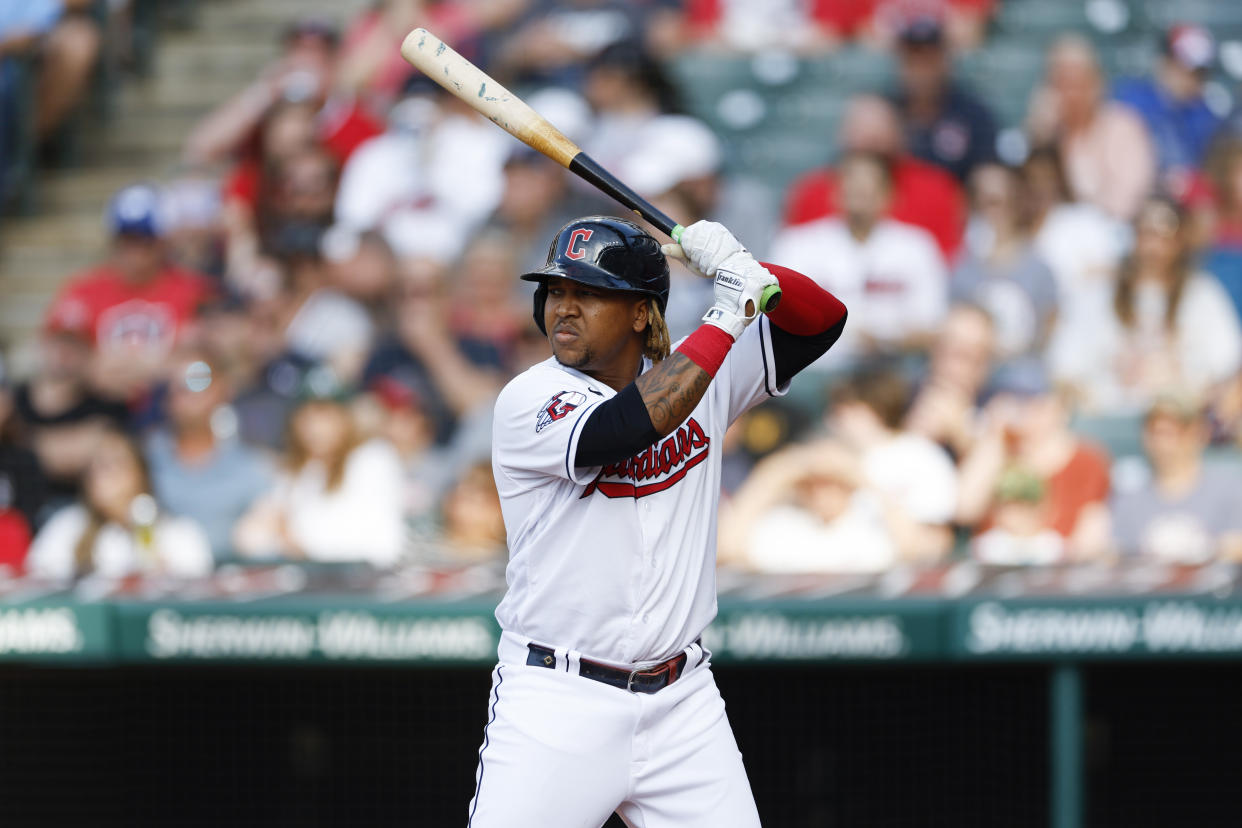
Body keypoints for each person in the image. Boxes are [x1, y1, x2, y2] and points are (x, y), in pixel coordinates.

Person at [470, 215, 846, 825]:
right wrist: (728, 309)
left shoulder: (703, 375)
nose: (564, 308)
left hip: (682, 703)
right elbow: (627, 427)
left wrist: (746, 267)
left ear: (642, 313)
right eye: (556, 291)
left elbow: (823, 320)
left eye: (588, 293)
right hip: (558, 700)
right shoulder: (529, 399)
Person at [1057, 197, 1242, 414]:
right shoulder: (1099, 292)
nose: (1153, 246)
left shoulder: (1202, 294)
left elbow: (1226, 365)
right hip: (1107, 418)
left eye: (1163, 236)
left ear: (1180, 241)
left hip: (1180, 424)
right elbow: (1065, 366)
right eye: (1145, 233)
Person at [770, 150, 947, 367]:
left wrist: (883, 339)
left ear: (889, 194)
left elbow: (931, 326)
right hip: (815, 368)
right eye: (851, 182)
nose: (859, 190)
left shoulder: (917, 247)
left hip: (893, 370)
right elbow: (779, 319)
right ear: (835, 191)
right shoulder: (798, 244)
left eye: (869, 185)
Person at [43, 183, 214, 399]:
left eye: (144, 241)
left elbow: (206, 366)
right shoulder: (83, 291)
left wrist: (156, 369)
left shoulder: (193, 290)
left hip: (168, 409)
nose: (135, 252)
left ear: (162, 242)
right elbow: (58, 355)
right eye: (126, 240)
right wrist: (91, 370)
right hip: (98, 406)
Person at [232, 383, 404, 567]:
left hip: (368, 582)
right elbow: (248, 539)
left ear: (346, 417)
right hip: (314, 586)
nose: (315, 427)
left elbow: (371, 543)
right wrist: (284, 536)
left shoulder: (374, 458)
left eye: (325, 414)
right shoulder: (295, 473)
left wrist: (291, 537)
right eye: (307, 415)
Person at [782, 94, 966, 259]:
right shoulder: (810, 193)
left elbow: (948, 261)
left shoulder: (936, 191)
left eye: (878, 144)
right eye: (862, 145)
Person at [955, 370, 1111, 561]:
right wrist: (994, 435)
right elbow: (964, 509)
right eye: (1015, 402)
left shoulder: (1087, 460)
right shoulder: (996, 451)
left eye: (1033, 402)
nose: (1023, 411)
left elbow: (1090, 541)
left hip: (1057, 578)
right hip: (994, 575)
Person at [26, 428, 213, 579]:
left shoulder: (178, 533)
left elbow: (197, 597)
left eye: (115, 463)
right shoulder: (67, 526)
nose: (104, 473)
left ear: (141, 474)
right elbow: (37, 581)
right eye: (97, 465)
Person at [144, 351, 274, 562]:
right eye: (172, 386)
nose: (183, 393)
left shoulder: (252, 460)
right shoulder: (142, 459)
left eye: (196, 380)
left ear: (223, 389)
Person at [827, 370, 958, 563]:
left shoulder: (920, 454)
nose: (834, 421)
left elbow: (931, 545)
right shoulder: (825, 457)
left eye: (845, 410)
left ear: (875, 409)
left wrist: (859, 477)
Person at [1026, 35, 1155, 221]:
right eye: (1060, 84)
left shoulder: (1122, 126)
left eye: (1076, 84)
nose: (1069, 94)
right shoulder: (1048, 133)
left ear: (1095, 84)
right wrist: (1040, 136)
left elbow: (1129, 201)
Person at [719, 439, 896, 573]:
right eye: (811, 483)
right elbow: (728, 548)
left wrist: (856, 472)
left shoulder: (869, 522)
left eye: (831, 482)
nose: (820, 493)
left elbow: (916, 551)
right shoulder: (784, 525)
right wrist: (781, 470)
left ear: (849, 485)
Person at [1111, 393, 1242, 563]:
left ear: (1197, 433)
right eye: (1155, 433)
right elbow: (1114, 555)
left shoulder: (1230, 489)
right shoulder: (1129, 497)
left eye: (1173, 432)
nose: (1163, 443)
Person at [952, 162, 1058, 367]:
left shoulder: (1040, 269)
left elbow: (1049, 330)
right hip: (970, 377)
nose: (988, 211)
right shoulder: (961, 267)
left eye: (995, 201)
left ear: (1016, 203)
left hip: (1024, 380)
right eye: (979, 201)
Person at [1113, 24, 1224, 199]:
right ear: (1164, 63)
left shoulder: (1205, 115)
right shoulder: (1131, 101)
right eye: (1187, 70)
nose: (1194, 80)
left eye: (1201, 73)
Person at [890, 12, 997, 183]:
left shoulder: (973, 116)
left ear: (945, 61)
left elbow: (987, 177)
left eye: (929, 59)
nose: (920, 70)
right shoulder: (887, 112)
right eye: (913, 59)